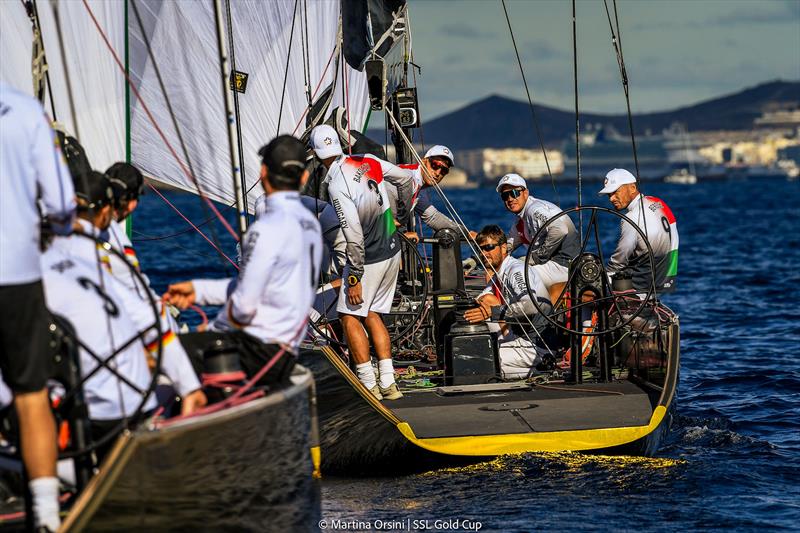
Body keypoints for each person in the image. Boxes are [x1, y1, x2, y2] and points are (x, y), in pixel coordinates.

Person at [163, 135, 323, 376]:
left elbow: (245, 306)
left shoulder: (265, 228)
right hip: (286, 352)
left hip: (260, 353)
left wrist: (214, 330)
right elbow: (263, 289)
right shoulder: (311, 225)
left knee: (161, 352)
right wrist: (199, 291)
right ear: (304, 177)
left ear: (263, 173)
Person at [0, 83, 76, 531]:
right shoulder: (27, 111)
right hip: (16, 272)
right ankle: (46, 517)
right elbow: (63, 203)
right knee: (31, 397)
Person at [309, 124, 407, 400]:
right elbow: (405, 178)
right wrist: (403, 213)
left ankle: (366, 384)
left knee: (349, 315)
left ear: (316, 154)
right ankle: (389, 383)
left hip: (370, 258)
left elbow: (353, 236)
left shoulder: (337, 184)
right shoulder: (367, 160)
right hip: (392, 248)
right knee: (373, 312)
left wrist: (353, 278)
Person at [464, 225, 554, 379]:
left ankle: (541, 367)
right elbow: (482, 301)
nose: (484, 254)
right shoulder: (498, 275)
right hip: (516, 336)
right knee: (485, 301)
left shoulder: (516, 270)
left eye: (489, 248)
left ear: (504, 247)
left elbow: (531, 306)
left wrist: (493, 312)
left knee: (473, 362)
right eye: (480, 250)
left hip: (535, 345)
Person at [497, 173, 580, 304]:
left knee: (514, 275)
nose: (510, 199)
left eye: (514, 193)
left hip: (565, 266)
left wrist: (536, 257)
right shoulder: (521, 220)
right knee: (513, 267)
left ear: (525, 193)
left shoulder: (534, 210)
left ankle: (536, 317)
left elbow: (560, 229)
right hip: (555, 265)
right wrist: (479, 256)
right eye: (505, 195)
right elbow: (507, 246)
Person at [598, 168, 679, 294]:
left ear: (632, 188)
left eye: (615, 192)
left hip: (642, 282)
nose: (611, 199)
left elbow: (619, 261)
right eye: (609, 195)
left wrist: (601, 279)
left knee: (588, 289)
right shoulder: (658, 202)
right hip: (667, 277)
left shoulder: (631, 218)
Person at [384, 145, 474, 238]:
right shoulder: (408, 176)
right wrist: (400, 232)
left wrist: (466, 233)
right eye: (435, 165)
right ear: (423, 161)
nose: (438, 173)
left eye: (444, 170)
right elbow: (383, 192)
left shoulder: (420, 187)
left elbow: (433, 217)